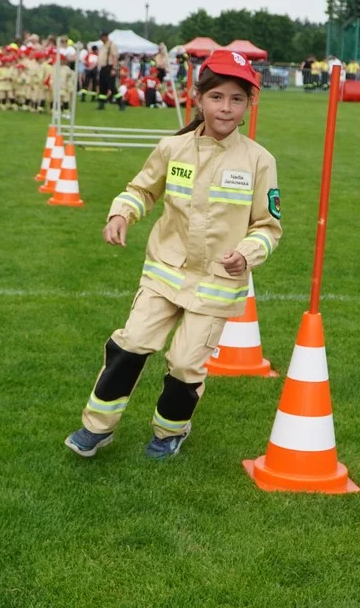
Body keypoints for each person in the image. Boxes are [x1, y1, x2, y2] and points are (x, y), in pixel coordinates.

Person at [64, 50, 283, 460]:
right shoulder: (172, 148)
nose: (226, 107)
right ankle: (97, 427)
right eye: (217, 97)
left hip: (217, 283)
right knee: (131, 344)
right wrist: (121, 213)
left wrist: (248, 254)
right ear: (199, 99)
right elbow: (142, 189)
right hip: (165, 271)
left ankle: (170, 432)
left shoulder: (259, 161)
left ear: (249, 104)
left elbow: (268, 227)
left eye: (237, 99)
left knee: (185, 364)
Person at [96, 32, 120, 110]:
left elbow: (115, 57)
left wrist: (114, 69)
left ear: (106, 37)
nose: (101, 39)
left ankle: (120, 103)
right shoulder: (103, 46)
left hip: (109, 67)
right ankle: (101, 104)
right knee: (102, 86)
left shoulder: (111, 45)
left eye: (102, 37)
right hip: (103, 68)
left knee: (112, 86)